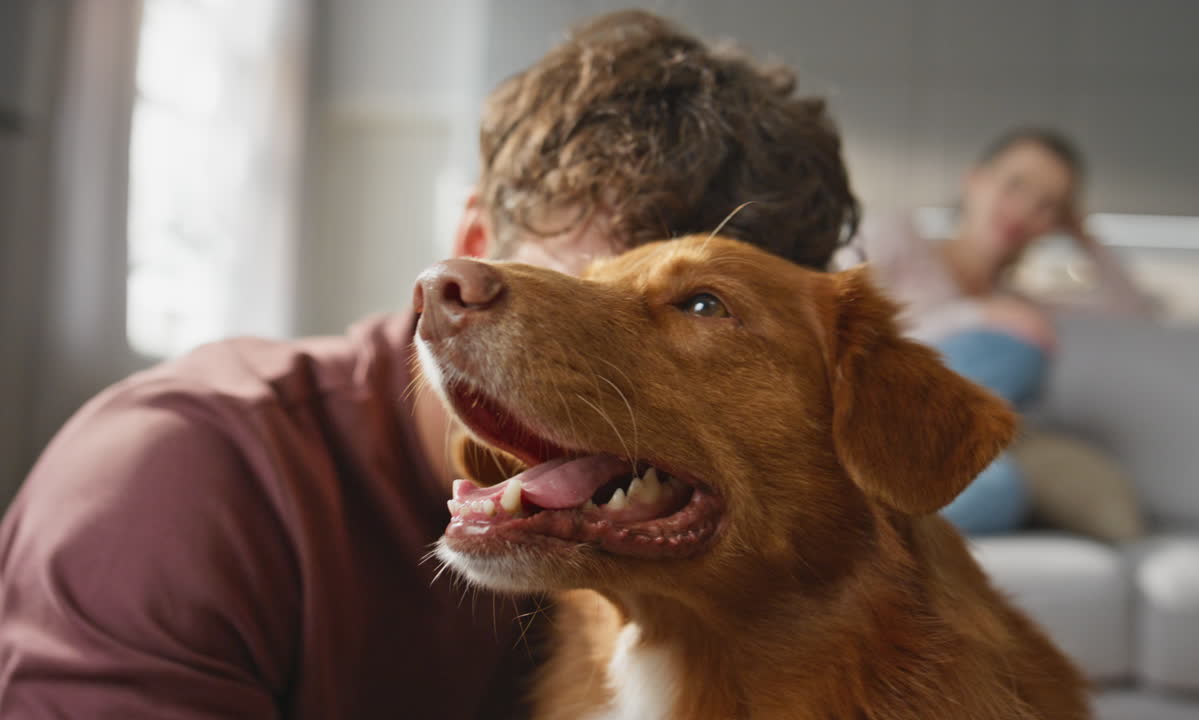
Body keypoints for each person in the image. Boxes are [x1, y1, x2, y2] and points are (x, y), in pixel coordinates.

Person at [0, 10, 858, 719]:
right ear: (475, 245)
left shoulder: (711, 534)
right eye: (578, 293)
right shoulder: (178, 480)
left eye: (699, 312)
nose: (628, 381)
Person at [841, 128, 1151, 534]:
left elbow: (1134, 311)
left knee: (1000, 488)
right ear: (975, 180)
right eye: (1015, 185)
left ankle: (861, 515)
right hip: (867, 415)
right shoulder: (896, 239)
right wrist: (975, 315)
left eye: (1048, 205)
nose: (1023, 210)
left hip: (929, 456)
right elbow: (838, 329)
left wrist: (1082, 233)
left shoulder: (1018, 304)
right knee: (1018, 349)